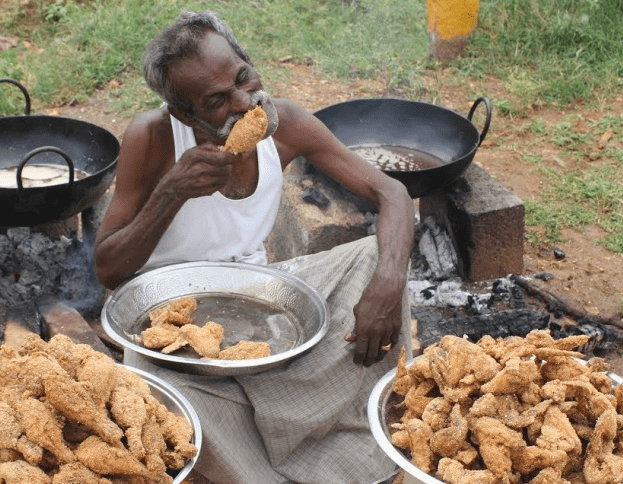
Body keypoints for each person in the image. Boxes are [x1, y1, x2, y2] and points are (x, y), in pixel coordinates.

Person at [94, 10, 415, 484]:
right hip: (169, 322)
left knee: (375, 261)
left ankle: (350, 435)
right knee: (168, 406)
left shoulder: (286, 125)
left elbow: (392, 194)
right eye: (218, 100)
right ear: (184, 112)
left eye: (244, 77)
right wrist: (171, 192)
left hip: (259, 294)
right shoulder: (154, 137)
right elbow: (108, 269)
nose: (245, 103)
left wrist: (388, 282)